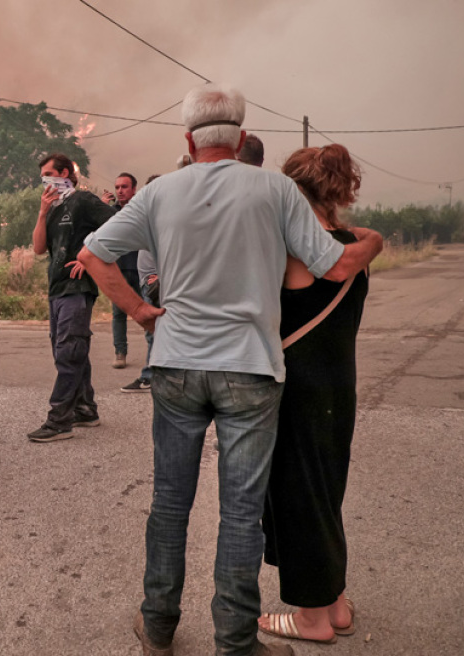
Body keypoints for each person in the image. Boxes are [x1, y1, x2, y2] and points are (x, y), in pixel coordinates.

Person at [77, 83, 383, 656]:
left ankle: (158, 626)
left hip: (176, 365)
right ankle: (236, 642)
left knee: (170, 502)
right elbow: (337, 267)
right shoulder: (275, 190)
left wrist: (141, 311)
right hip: (250, 369)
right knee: (241, 513)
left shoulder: (159, 193)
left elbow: (92, 254)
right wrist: (375, 242)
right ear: (241, 140)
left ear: (189, 141)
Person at [258, 145, 369, 645]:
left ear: (294, 191)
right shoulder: (351, 246)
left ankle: (311, 618)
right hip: (339, 384)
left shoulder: (294, 248)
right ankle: (335, 603)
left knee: (299, 496)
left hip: (298, 386)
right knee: (326, 491)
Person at [27, 153, 114, 442]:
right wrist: (42, 212)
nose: (46, 181)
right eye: (43, 177)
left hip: (78, 289)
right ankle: (85, 408)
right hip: (56, 289)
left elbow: (117, 225)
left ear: (66, 173)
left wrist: (90, 258)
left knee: (69, 352)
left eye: (50, 174)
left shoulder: (84, 200)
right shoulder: (53, 208)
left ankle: (59, 420)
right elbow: (39, 248)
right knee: (68, 350)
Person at [121, 174, 163, 394]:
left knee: (155, 330)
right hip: (147, 282)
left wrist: (162, 277)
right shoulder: (151, 217)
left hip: (156, 284)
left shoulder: (164, 219)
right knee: (153, 331)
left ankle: (151, 377)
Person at [101, 173, 143, 369]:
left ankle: (156, 355)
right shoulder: (110, 212)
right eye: (117, 187)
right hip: (118, 269)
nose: (120, 190)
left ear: (134, 189)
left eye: (124, 187)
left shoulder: (141, 209)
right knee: (118, 314)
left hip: (141, 268)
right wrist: (102, 206)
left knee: (149, 312)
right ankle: (120, 353)